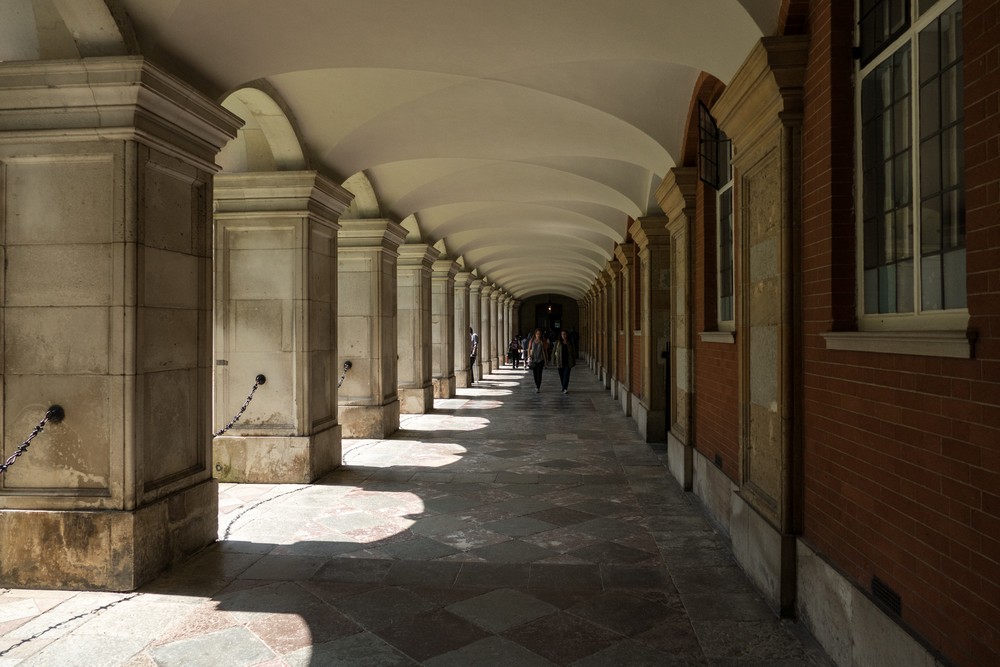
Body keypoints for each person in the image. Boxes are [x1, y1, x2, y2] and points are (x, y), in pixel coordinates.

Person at [552, 329, 576, 394]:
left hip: (568, 362)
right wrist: (553, 360)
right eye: (562, 334)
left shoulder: (570, 343)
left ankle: (565, 388)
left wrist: (574, 361)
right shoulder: (558, 342)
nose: (564, 336)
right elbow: (554, 351)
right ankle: (564, 387)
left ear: (567, 335)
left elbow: (573, 352)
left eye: (565, 334)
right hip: (560, 362)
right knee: (561, 376)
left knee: (566, 375)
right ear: (560, 335)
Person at [526, 328, 549, 393]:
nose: (538, 335)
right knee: (535, 374)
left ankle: (538, 386)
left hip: (540, 359)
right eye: (537, 334)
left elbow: (545, 349)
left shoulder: (542, 341)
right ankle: (536, 384)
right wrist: (529, 357)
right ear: (535, 334)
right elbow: (529, 348)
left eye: (539, 334)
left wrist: (546, 359)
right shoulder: (532, 340)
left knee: (539, 373)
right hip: (533, 360)